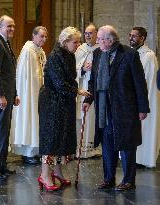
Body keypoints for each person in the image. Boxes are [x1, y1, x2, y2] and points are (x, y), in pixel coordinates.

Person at [83, 25, 150, 191]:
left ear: (109, 40)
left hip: (125, 107)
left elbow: (140, 84)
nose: (97, 41)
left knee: (127, 144)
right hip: (104, 108)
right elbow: (93, 81)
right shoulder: (98, 53)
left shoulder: (129, 54)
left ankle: (128, 180)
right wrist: (88, 99)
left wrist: (143, 108)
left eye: (100, 38)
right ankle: (108, 178)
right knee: (107, 144)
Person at [38, 27, 90, 191]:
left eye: (78, 42)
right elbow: (60, 83)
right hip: (52, 104)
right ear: (65, 41)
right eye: (75, 42)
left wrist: (74, 88)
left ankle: (58, 172)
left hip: (64, 103)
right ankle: (45, 175)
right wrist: (78, 90)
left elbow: (72, 78)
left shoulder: (70, 55)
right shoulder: (55, 57)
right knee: (52, 139)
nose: (78, 45)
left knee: (63, 138)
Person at [0, 15, 20, 181]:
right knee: (0, 132)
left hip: (7, 95)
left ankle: (1, 165)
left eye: (13, 26)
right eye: (9, 26)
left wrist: (14, 94)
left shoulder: (5, 43)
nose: (12, 29)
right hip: (0, 96)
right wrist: (0, 94)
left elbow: (9, 74)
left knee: (5, 132)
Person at [12, 26, 48, 165]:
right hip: (29, 93)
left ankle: (35, 150)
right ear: (34, 35)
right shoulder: (28, 51)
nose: (44, 39)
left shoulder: (40, 51)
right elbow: (26, 76)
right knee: (29, 119)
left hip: (39, 91)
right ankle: (27, 153)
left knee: (37, 120)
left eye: (45, 36)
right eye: (41, 36)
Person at [129, 27, 160, 168]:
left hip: (144, 100)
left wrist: (140, 102)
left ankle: (143, 159)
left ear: (142, 38)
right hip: (132, 99)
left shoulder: (148, 55)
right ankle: (133, 158)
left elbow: (146, 82)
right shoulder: (131, 53)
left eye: (134, 36)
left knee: (145, 128)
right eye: (130, 35)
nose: (131, 38)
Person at [75, 23, 101, 158]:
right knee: (82, 117)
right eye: (86, 33)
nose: (87, 35)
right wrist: (82, 69)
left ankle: (95, 149)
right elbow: (72, 69)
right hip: (83, 87)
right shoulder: (80, 49)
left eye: (90, 33)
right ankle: (81, 149)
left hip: (97, 89)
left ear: (97, 34)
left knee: (95, 117)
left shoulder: (101, 49)